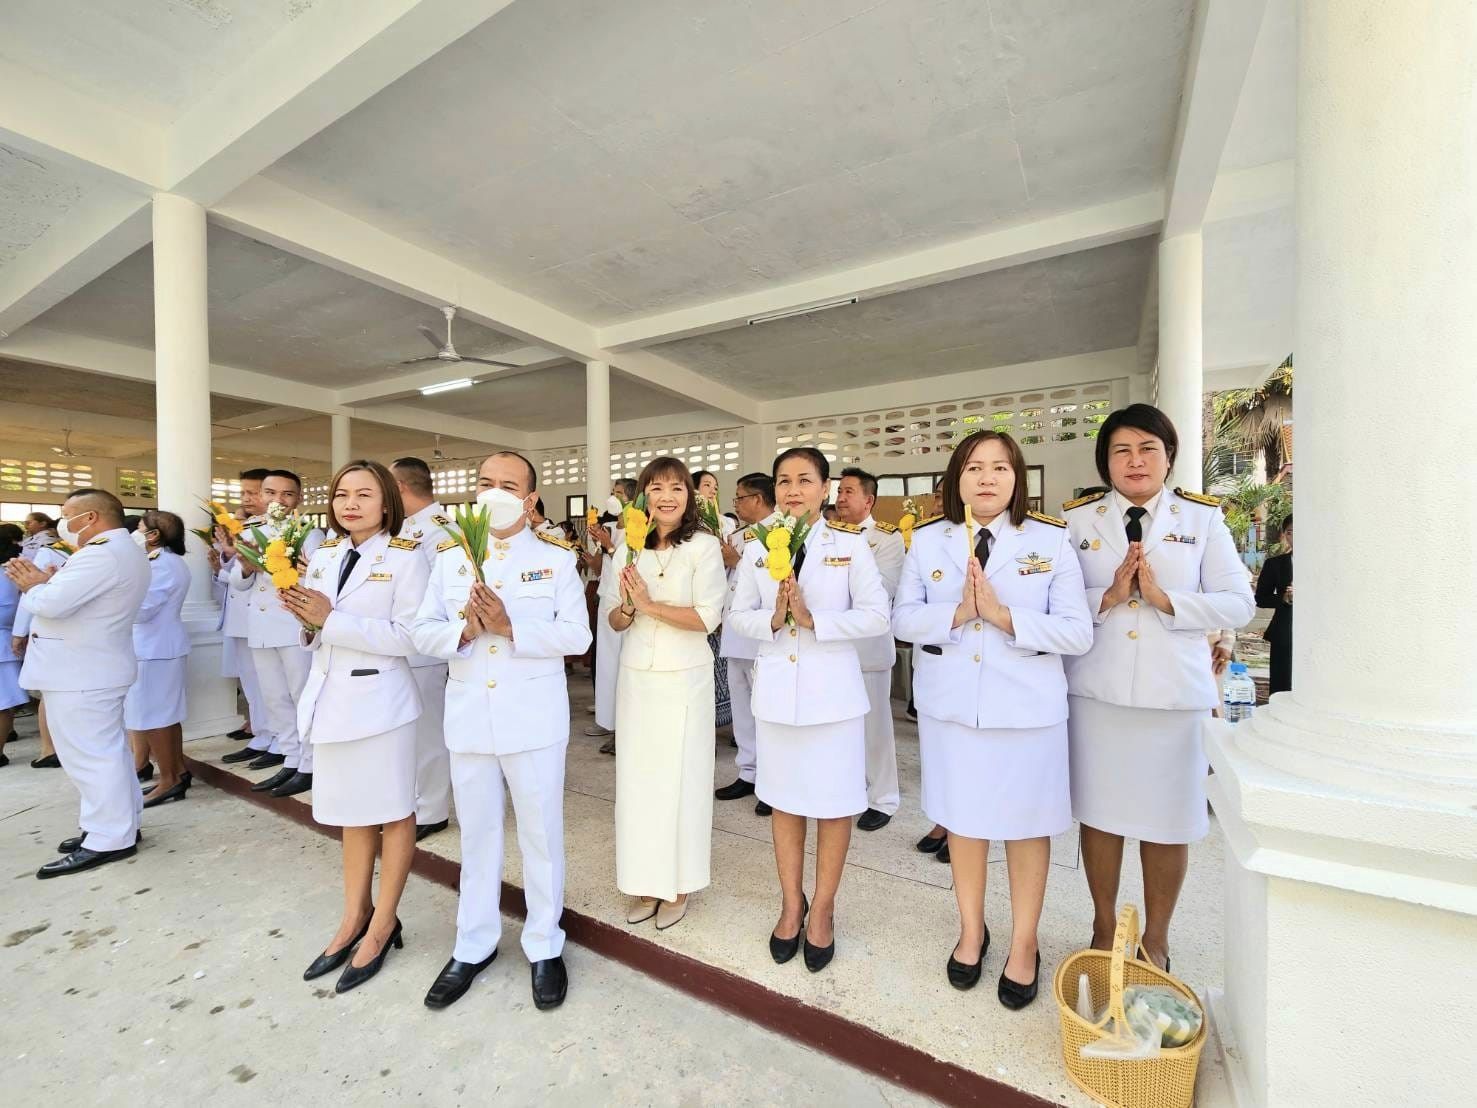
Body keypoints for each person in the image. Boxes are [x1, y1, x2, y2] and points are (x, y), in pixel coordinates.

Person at [893, 431, 1092, 1006]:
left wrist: (1004, 616)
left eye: (1000, 468)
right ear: (957, 478)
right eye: (975, 467)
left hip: (1027, 710)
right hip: (954, 709)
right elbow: (904, 618)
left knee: (1027, 826)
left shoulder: (1050, 541)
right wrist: (957, 613)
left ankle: (1024, 943)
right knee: (965, 822)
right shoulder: (928, 542)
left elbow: (1078, 631)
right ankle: (971, 931)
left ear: (1017, 477)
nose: (987, 478)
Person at [1063, 404, 1255, 970]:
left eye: (1148, 448)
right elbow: (1059, 607)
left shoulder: (1202, 521)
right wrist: (1109, 598)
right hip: (1098, 695)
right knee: (1100, 817)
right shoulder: (1077, 522)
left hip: (1174, 699)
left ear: (1169, 457)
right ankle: (1102, 928)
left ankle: (1158, 937)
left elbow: (1238, 602)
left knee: (1169, 822)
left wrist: (1167, 599)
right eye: (1122, 450)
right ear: (1106, 462)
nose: (1135, 460)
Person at [412, 451, 591, 1011]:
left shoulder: (555, 559)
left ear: (530, 498)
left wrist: (511, 626)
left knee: (540, 835)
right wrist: (462, 631)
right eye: (485, 482)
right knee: (478, 834)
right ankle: (474, 942)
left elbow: (577, 637)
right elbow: (421, 631)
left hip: (533, 720)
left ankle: (543, 944)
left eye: (508, 484)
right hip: (469, 719)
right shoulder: (449, 557)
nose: (494, 491)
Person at [728, 447, 890, 972]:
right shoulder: (756, 546)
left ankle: (822, 909)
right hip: (776, 697)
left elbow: (875, 615)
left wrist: (814, 618)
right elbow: (737, 618)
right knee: (784, 803)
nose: (793, 489)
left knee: (835, 805)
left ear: (825, 488)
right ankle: (790, 903)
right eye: (783, 481)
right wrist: (774, 619)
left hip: (833, 699)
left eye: (805, 480)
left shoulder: (849, 544)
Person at [289, 461, 430, 993]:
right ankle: (354, 915)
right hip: (329, 700)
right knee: (351, 814)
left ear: (387, 501)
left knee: (392, 811)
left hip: (381, 704)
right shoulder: (323, 554)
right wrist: (307, 622)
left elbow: (411, 637)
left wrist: (330, 619)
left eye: (364, 494)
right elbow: (317, 628)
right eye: (342, 494)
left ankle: (384, 920)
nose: (350, 503)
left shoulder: (408, 556)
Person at [601, 457, 727, 930]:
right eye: (656, 488)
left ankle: (679, 883)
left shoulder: (703, 546)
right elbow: (614, 616)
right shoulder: (627, 549)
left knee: (682, 782)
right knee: (639, 783)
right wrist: (631, 611)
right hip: (638, 677)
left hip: (684, 680)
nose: (667, 496)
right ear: (643, 496)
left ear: (689, 496)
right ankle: (645, 879)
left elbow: (707, 617)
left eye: (677, 487)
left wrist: (650, 605)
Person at [6, 489, 150, 877]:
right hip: (87, 668)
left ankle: (108, 837)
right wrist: (49, 585)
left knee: (91, 758)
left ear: (89, 518)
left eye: (67, 515)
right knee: (106, 754)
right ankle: (116, 824)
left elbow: (51, 605)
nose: (61, 524)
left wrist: (35, 586)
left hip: (81, 671)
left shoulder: (103, 553)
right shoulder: (115, 550)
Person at [226, 469, 324, 797]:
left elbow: (316, 580)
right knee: (274, 697)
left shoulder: (308, 533)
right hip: (260, 626)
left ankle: (310, 764)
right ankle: (290, 758)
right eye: (270, 493)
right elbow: (238, 584)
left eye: (287, 494)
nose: (277, 500)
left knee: (300, 695)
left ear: (298, 499)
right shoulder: (252, 532)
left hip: (292, 624)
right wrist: (245, 566)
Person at [832, 467, 906, 831]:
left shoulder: (885, 539)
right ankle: (853, 790)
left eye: (848, 492)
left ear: (868, 500)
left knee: (875, 729)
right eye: (839, 492)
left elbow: (884, 590)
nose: (840, 499)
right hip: (834, 649)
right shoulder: (827, 535)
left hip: (869, 650)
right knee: (843, 729)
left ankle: (884, 798)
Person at [391, 457, 453, 841]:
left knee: (428, 732)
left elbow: (445, 593)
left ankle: (432, 809)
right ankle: (412, 802)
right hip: (401, 645)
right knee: (407, 732)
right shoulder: (406, 528)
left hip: (425, 649)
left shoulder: (441, 529)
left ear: (399, 488)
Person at [714, 472, 779, 813]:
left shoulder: (783, 533)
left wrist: (735, 561)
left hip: (764, 635)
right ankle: (748, 771)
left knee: (766, 709)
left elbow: (773, 581)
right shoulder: (740, 535)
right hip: (737, 631)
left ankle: (772, 780)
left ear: (757, 499)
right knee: (742, 706)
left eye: (740, 498)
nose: (735, 504)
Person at [127, 510, 193, 808]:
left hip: (154, 650)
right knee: (164, 717)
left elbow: (143, 610)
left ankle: (169, 780)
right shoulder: (156, 562)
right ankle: (176, 771)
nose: (133, 533)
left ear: (153, 535)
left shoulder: (162, 565)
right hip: (154, 649)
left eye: (138, 528)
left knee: (156, 719)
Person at [219, 470, 274, 758]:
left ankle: (279, 740)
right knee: (252, 682)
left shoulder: (277, 530)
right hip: (241, 617)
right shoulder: (247, 528)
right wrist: (228, 554)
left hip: (266, 619)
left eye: (253, 493)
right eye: (243, 493)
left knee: (272, 686)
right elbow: (231, 575)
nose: (247, 499)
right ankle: (262, 735)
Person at [12, 531, 74, 769]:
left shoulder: (56, 552)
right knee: (52, 692)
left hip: (59, 635)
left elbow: (31, 594)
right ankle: (51, 748)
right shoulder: (58, 551)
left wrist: (19, 633)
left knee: (52, 692)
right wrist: (20, 631)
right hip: (56, 637)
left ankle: (51, 749)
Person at [586, 478, 637, 752]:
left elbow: (630, 562)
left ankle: (625, 727)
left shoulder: (636, 527)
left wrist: (609, 546)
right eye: (612, 492)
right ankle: (607, 721)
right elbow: (599, 566)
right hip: (607, 597)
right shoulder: (607, 527)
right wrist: (592, 549)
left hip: (626, 604)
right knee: (606, 665)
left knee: (622, 665)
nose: (612, 497)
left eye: (618, 493)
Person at [1256, 513, 1293, 695]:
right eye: (1290, 532)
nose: (1295, 537)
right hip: (1285, 631)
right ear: (1285, 535)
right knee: (1282, 685)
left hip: (1319, 632)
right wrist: (1284, 598)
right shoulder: (1275, 564)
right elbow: (1261, 598)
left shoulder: (1325, 564)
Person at [0, 524, 26, 766]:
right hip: (7, 640)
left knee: (2, 704)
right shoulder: (13, 570)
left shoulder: (11, 572)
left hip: (5, 641)